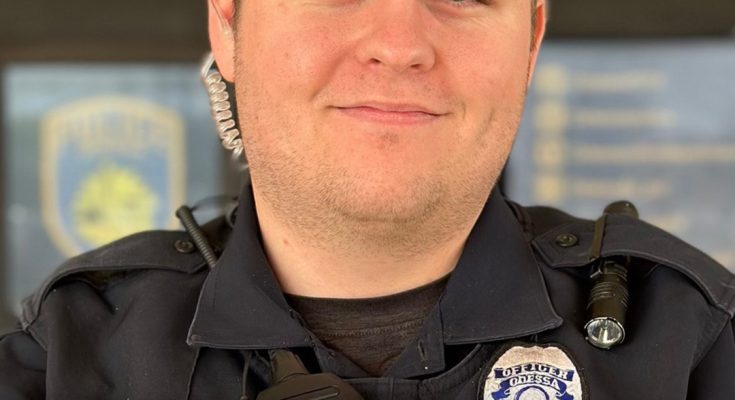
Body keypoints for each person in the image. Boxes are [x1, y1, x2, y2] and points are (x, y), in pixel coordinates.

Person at [1, 0, 734, 398]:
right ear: (227, 23)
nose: (399, 42)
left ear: (531, 42)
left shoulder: (696, 348)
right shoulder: (62, 360)